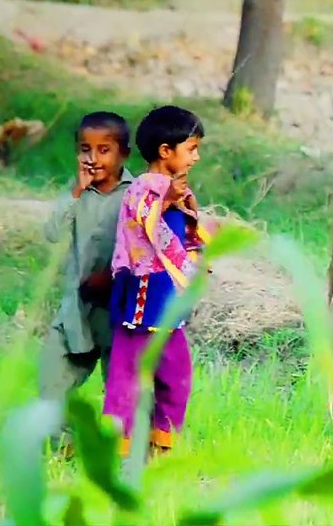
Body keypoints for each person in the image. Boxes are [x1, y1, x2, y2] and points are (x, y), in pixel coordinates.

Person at [103, 104, 211, 458]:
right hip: (144, 296)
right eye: (191, 148)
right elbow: (145, 214)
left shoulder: (172, 189)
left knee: (175, 372)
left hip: (167, 300)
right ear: (166, 151)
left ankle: (160, 442)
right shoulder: (145, 188)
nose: (196, 157)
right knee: (128, 374)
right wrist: (167, 200)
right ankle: (115, 448)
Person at [39, 111, 135, 453]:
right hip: (76, 310)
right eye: (85, 149)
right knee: (51, 382)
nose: (93, 158)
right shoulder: (79, 193)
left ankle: (128, 458)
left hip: (117, 312)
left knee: (123, 392)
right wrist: (76, 193)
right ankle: (63, 450)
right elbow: (52, 233)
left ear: (123, 153)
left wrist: (111, 277)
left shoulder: (135, 195)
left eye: (104, 149)